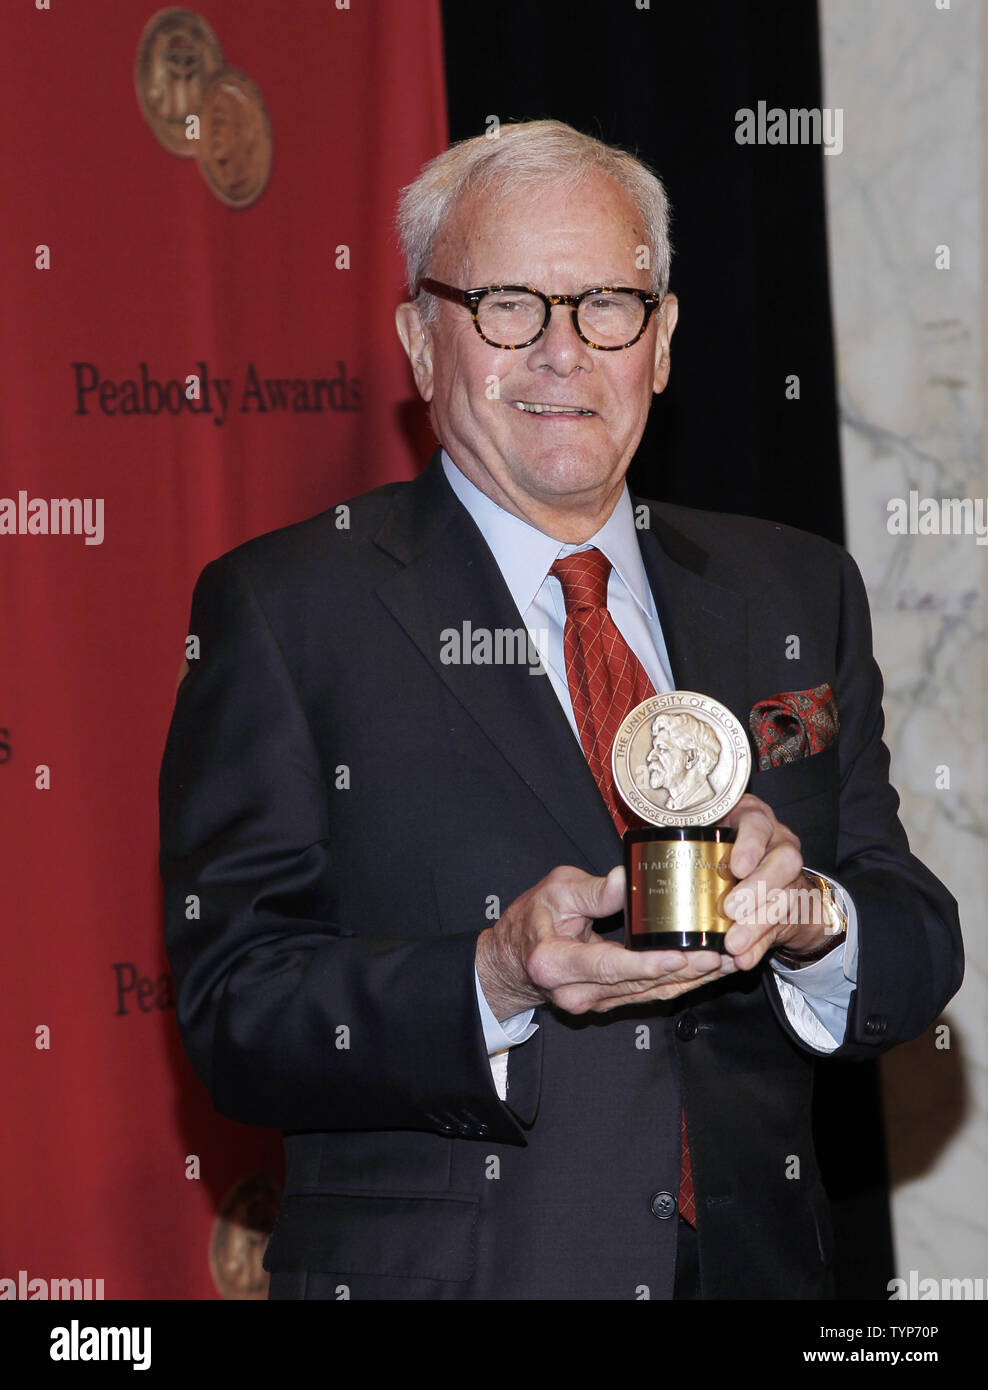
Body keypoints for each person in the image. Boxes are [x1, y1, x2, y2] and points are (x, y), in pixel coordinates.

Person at [159, 119, 963, 1300]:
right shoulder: (287, 610)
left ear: (664, 339)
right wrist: (491, 973)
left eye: (605, 305)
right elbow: (237, 1010)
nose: (562, 353)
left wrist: (811, 919)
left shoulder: (791, 589)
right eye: (505, 306)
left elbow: (916, 932)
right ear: (420, 344)